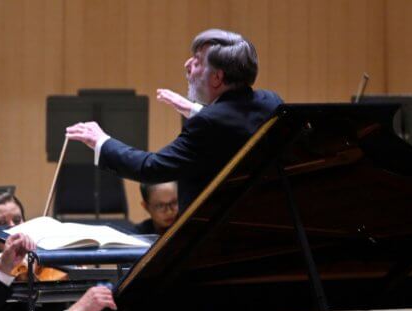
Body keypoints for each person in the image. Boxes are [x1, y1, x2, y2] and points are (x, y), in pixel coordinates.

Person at [66, 28, 282, 211]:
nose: (187, 64)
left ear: (217, 77)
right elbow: (234, 125)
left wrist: (102, 141)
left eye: (197, 61)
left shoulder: (207, 124)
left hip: (212, 237)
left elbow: (151, 168)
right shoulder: (270, 101)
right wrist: (195, 110)